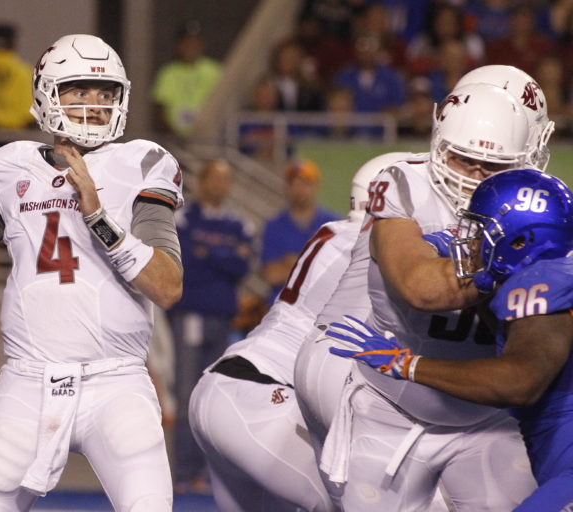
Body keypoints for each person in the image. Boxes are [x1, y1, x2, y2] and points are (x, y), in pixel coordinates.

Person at [0, 34, 184, 511]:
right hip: (28, 381)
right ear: (47, 94)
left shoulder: (140, 162)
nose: (94, 105)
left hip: (115, 382)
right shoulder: (14, 166)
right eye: (79, 91)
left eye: (105, 94)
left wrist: (98, 216)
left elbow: (167, 286)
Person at [295, 82, 539, 511]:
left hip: (488, 419)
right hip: (390, 408)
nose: (475, 178)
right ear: (439, 145)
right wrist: (509, 261)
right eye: (465, 159)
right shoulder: (405, 182)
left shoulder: (541, 204)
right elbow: (419, 287)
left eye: (493, 166)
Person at [326, 168, 573, 511]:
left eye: (482, 229)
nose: (470, 239)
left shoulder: (539, 283)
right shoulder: (553, 270)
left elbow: (518, 382)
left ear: (521, 241)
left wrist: (408, 364)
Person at [188, 152, 412, 512]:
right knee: (348, 501)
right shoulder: (380, 253)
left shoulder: (332, 232)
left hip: (226, 385)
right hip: (265, 396)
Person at [167, 158, 252, 493]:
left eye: (224, 179)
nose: (219, 184)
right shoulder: (183, 219)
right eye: (213, 178)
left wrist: (210, 254)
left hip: (222, 318)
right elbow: (188, 263)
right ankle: (185, 471)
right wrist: (223, 256)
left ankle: (208, 469)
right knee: (188, 392)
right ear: (202, 182)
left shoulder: (238, 224)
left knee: (215, 395)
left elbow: (241, 266)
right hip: (189, 316)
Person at [260, 158, 340, 304]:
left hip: (322, 309)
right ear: (286, 187)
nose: (299, 189)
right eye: (294, 184)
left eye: (305, 183)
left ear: (316, 186)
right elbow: (272, 275)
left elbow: (338, 274)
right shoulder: (274, 226)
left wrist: (291, 264)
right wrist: (316, 264)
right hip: (282, 311)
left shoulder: (333, 224)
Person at [151, 21, 222, 137]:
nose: (191, 46)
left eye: (194, 42)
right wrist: (173, 135)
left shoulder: (214, 70)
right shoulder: (168, 73)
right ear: (179, 46)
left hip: (208, 137)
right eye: (186, 42)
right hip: (175, 139)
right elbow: (159, 109)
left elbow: (224, 102)